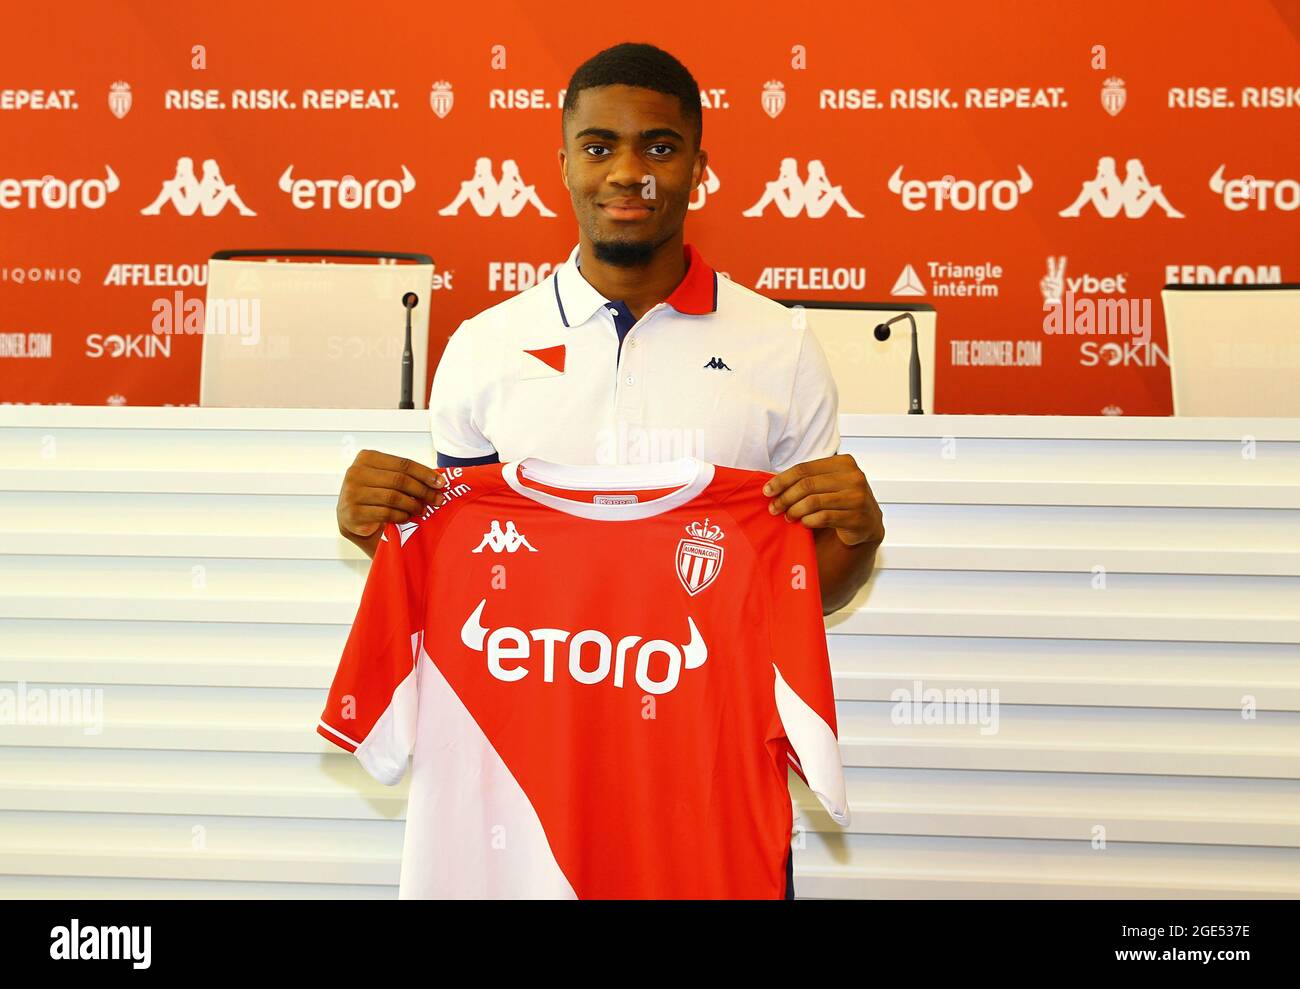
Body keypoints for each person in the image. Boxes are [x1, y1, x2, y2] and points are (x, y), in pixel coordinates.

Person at [335, 41, 885, 900]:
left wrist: (858, 537)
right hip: (523, 800)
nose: (629, 171)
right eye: (600, 147)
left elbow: (803, 591)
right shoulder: (485, 348)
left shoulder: (780, 346)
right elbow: (472, 583)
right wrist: (388, 534)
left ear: (700, 165)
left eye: (660, 146)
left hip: (708, 799)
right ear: (562, 164)